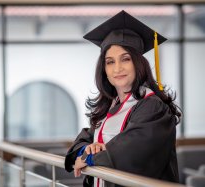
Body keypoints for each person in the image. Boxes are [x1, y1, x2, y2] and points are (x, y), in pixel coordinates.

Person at [64, 10, 181, 187]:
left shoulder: (152, 107)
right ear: (104, 69)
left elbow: (132, 151)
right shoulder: (109, 108)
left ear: (138, 63)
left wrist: (89, 158)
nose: (117, 69)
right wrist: (87, 149)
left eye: (125, 59)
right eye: (110, 62)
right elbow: (83, 140)